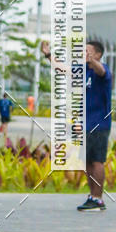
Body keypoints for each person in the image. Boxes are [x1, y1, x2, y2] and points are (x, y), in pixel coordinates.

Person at [42, 38, 112, 212]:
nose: (84, 54)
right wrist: (49, 55)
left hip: (98, 124)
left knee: (97, 161)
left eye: (88, 51)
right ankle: (92, 196)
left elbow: (102, 70)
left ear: (98, 54)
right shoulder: (83, 71)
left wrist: (92, 61)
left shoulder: (101, 71)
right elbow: (62, 69)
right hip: (85, 124)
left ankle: (98, 199)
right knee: (87, 161)